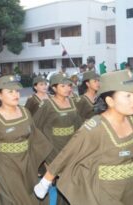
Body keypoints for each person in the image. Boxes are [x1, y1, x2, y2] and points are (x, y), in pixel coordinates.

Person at [34, 70, 133, 205]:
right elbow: (70, 151)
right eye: (127, 96)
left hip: (129, 189)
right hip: (104, 193)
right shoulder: (96, 126)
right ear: (110, 100)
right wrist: (46, 180)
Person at [0, 75, 52, 205]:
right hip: (5, 166)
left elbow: (35, 136)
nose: (15, 94)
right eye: (10, 91)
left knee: (32, 194)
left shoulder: (25, 112)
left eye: (17, 91)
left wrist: (48, 161)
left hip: (27, 162)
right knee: (18, 198)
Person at [33, 73, 83, 205]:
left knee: (69, 184)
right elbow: (35, 127)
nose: (67, 88)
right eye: (63, 86)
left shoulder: (72, 102)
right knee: (63, 183)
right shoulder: (47, 104)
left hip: (71, 149)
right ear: (54, 88)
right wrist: (44, 156)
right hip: (54, 151)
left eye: (69, 85)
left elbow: (79, 125)